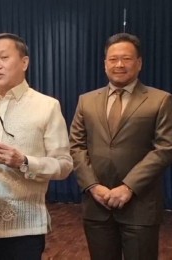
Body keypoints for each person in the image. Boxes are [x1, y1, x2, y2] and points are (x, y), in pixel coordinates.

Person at [0, 33, 73, 260]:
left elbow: (64, 165)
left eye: (4, 57)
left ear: (24, 62)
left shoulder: (46, 107)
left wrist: (24, 162)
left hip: (23, 228)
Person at [69, 33, 172, 260]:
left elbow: (165, 148)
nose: (119, 64)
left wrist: (128, 187)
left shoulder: (160, 100)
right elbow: (75, 146)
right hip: (97, 206)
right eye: (113, 59)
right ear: (105, 63)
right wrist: (93, 186)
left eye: (126, 59)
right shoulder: (86, 100)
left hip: (140, 206)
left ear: (139, 63)